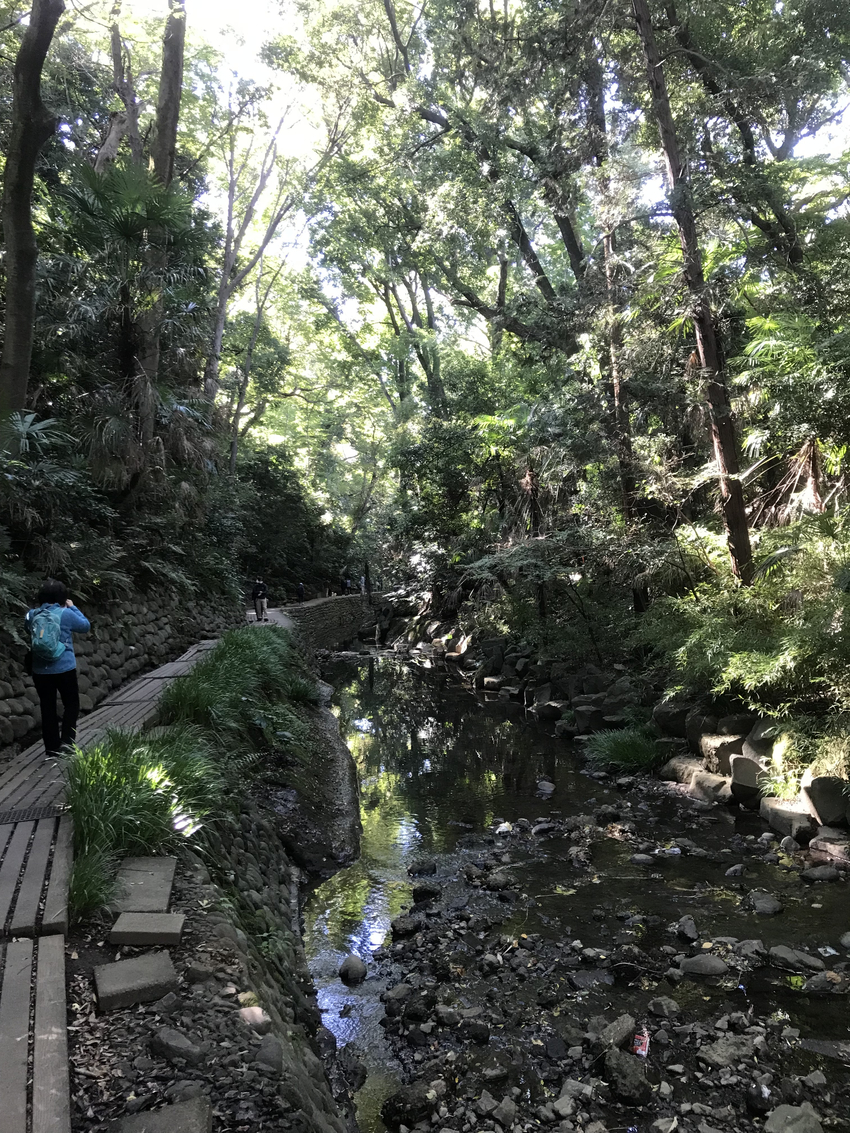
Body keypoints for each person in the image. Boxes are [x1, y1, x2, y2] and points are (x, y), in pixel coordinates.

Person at [25, 579, 90, 758]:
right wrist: (73, 607)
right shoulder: (65, 614)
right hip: (64, 668)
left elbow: (29, 631)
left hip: (40, 670)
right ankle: (68, 744)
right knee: (71, 704)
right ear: (62, 596)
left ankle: (51, 749)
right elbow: (85, 626)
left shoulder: (31, 615)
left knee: (47, 707)